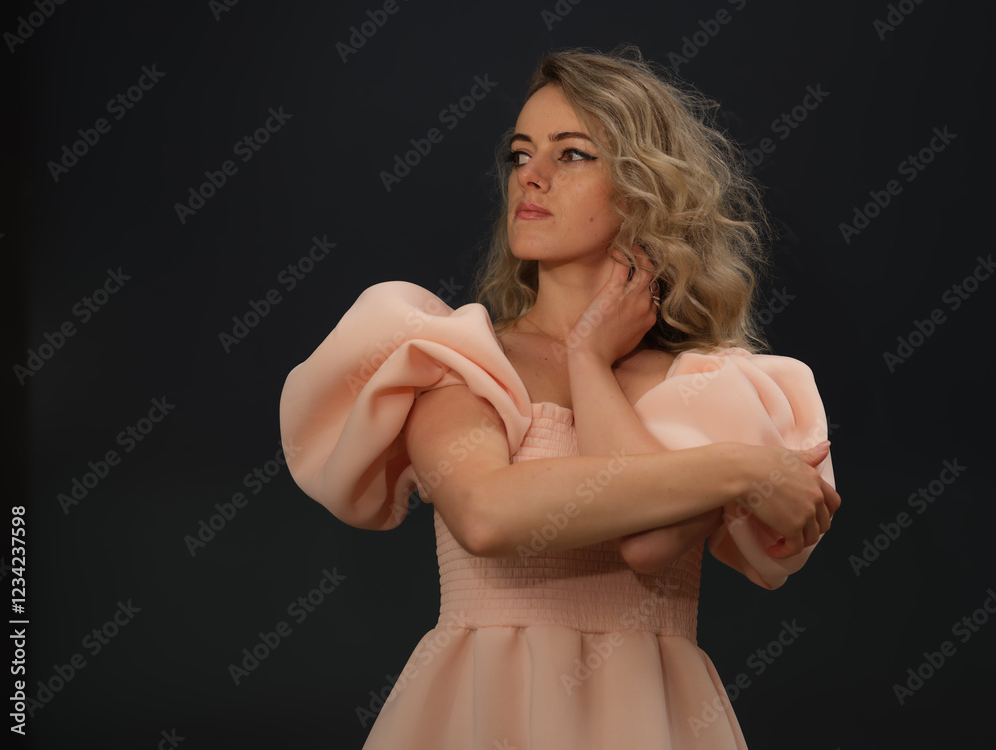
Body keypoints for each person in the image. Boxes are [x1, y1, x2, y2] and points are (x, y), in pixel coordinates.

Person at [280, 45, 840, 750]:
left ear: (643, 187)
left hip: (654, 724)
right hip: (481, 718)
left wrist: (589, 363)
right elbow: (486, 512)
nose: (530, 177)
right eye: (521, 155)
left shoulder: (711, 385)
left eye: (571, 155)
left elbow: (652, 544)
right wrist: (746, 470)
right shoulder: (458, 355)